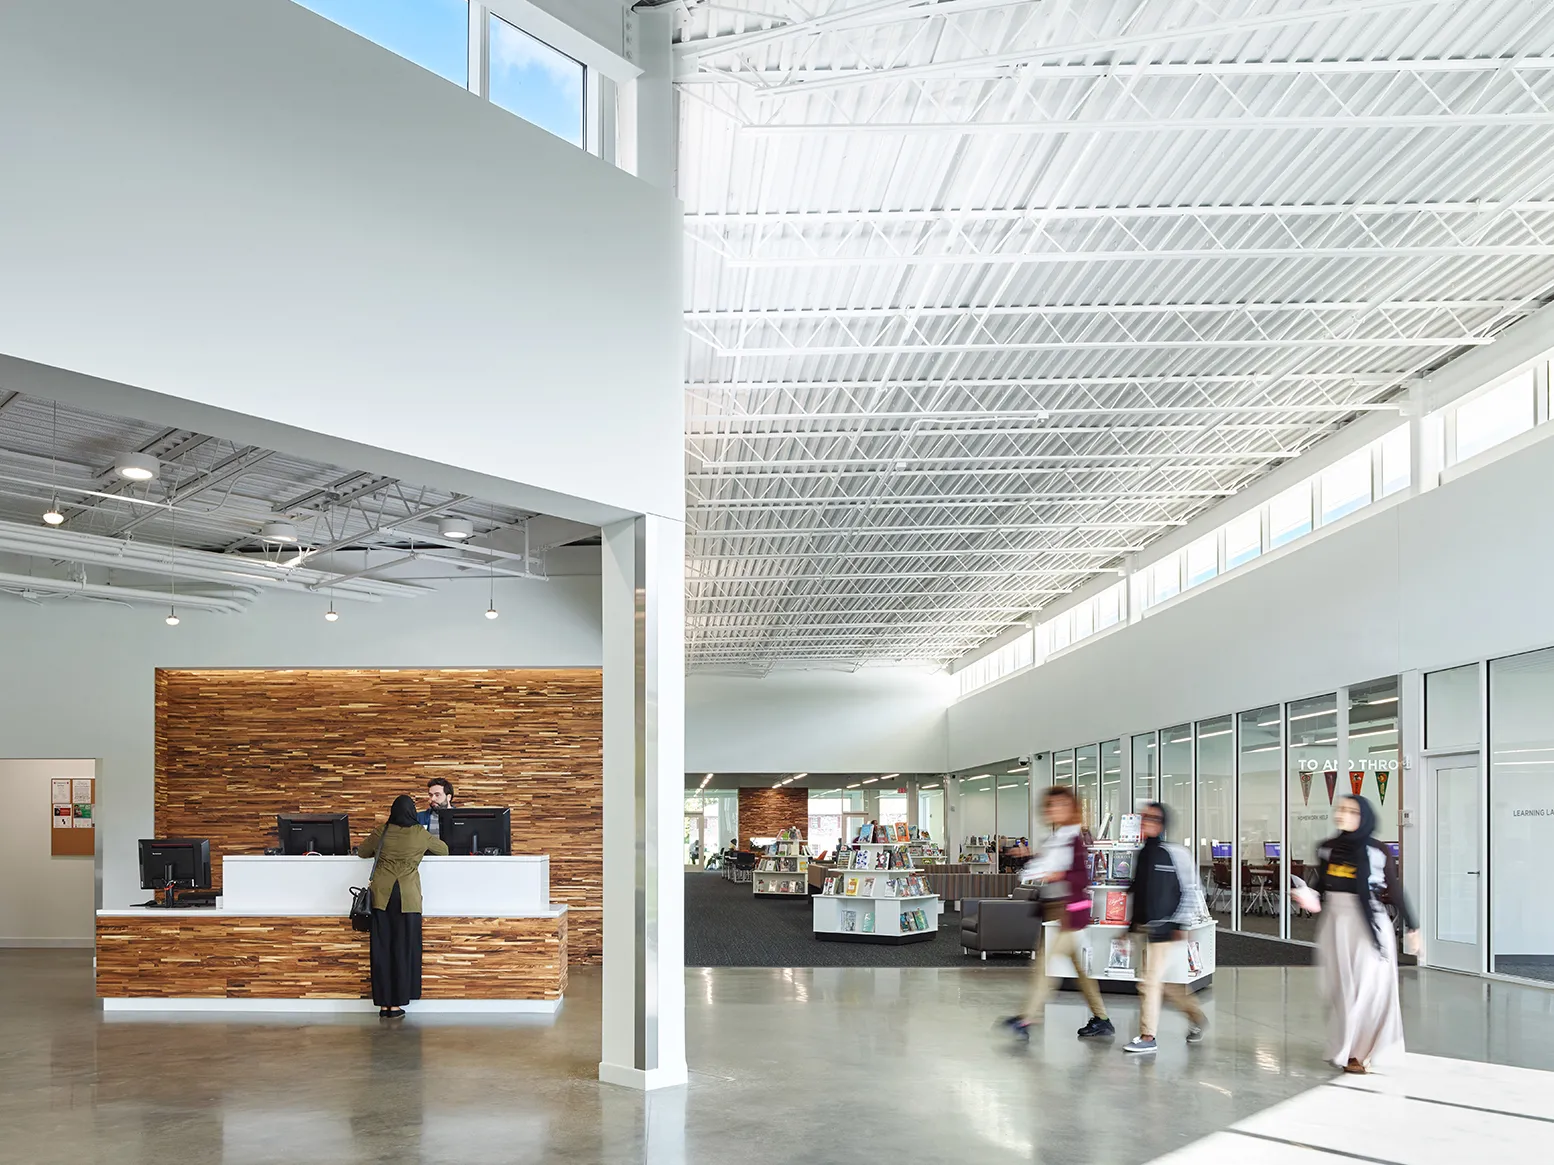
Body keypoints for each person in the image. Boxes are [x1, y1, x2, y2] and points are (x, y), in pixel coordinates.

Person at [1299, 794, 1419, 1074]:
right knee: (1341, 990)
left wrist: (1413, 927)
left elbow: (1396, 891)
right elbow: (1319, 886)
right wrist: (1308, 896)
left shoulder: (1379, 851)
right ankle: (1349, 1047)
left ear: (1363, 816)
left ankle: (1360, 1052)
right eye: (1340, 809)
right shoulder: (1327, 848)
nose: (1342, 814)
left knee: (1368, 989)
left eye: (1351, 810)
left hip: (1370, 925)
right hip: (1335, 924)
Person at [1003, 786, 1113, 1040]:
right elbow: (1050, 864)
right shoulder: (1059, 836)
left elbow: (1081, 876)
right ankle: (1102, 1018)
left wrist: (1057, 874)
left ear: (1072, 808)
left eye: (1061, 805)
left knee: (1044, 965)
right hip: (1055, 912)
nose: (1055, 810)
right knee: (1080, 971)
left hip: (1069, 914)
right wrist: (1029, 857)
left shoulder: (1076, 836)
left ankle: (1026, 1019)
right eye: (1051, 805)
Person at [1122, 802, 1206, 1053]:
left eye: (1154, 818)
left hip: (1167, 928)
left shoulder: (1176, 854)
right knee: (1164, 984)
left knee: (1149, 982)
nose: (1147, 821)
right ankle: (1196, 1017)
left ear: (1163, 823)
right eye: (1144, 817)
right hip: (1146, 929)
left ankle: (1148, 1037)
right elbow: (1140, 892)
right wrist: (1130, 928)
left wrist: (1181, 922)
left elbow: (1191, 889)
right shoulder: (1143, 853)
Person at [358, 794, 449, 1019]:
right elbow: (444, 850)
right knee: (403, 947)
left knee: (381, 950)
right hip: (407, 898)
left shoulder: (382, 831)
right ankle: (399, 1003)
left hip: (382, 896)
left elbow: (362, 852)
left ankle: (385, 1005)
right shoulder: (420, 833)